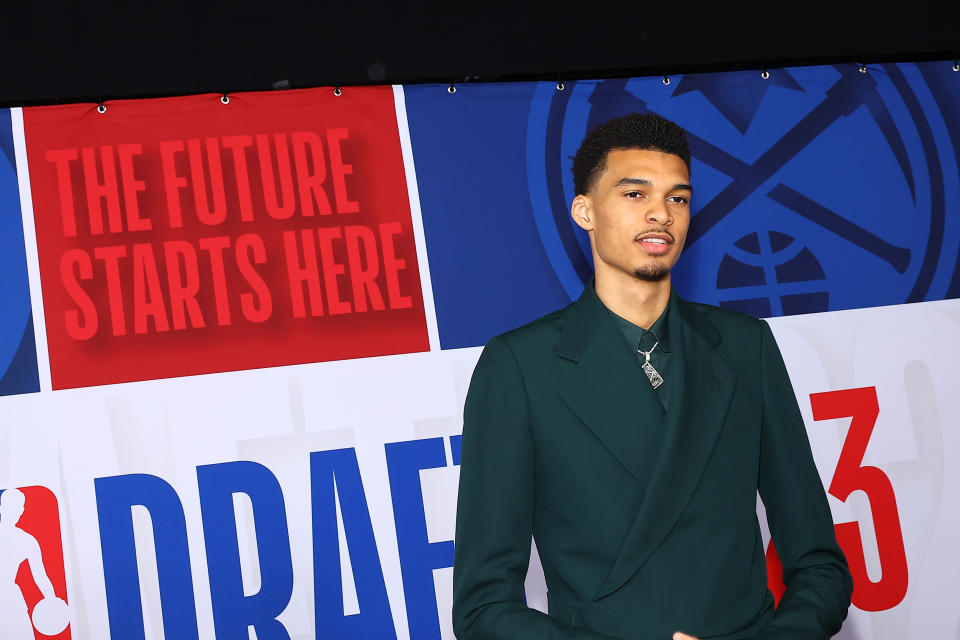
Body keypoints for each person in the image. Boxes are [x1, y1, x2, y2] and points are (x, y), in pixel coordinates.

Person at [452, 113, 852, 640]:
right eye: (635, 194)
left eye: (678, 198)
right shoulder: (519, 367)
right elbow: (482, 606)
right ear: (585, 211)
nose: (661, 213)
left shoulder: (743, 346)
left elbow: (820, 566)